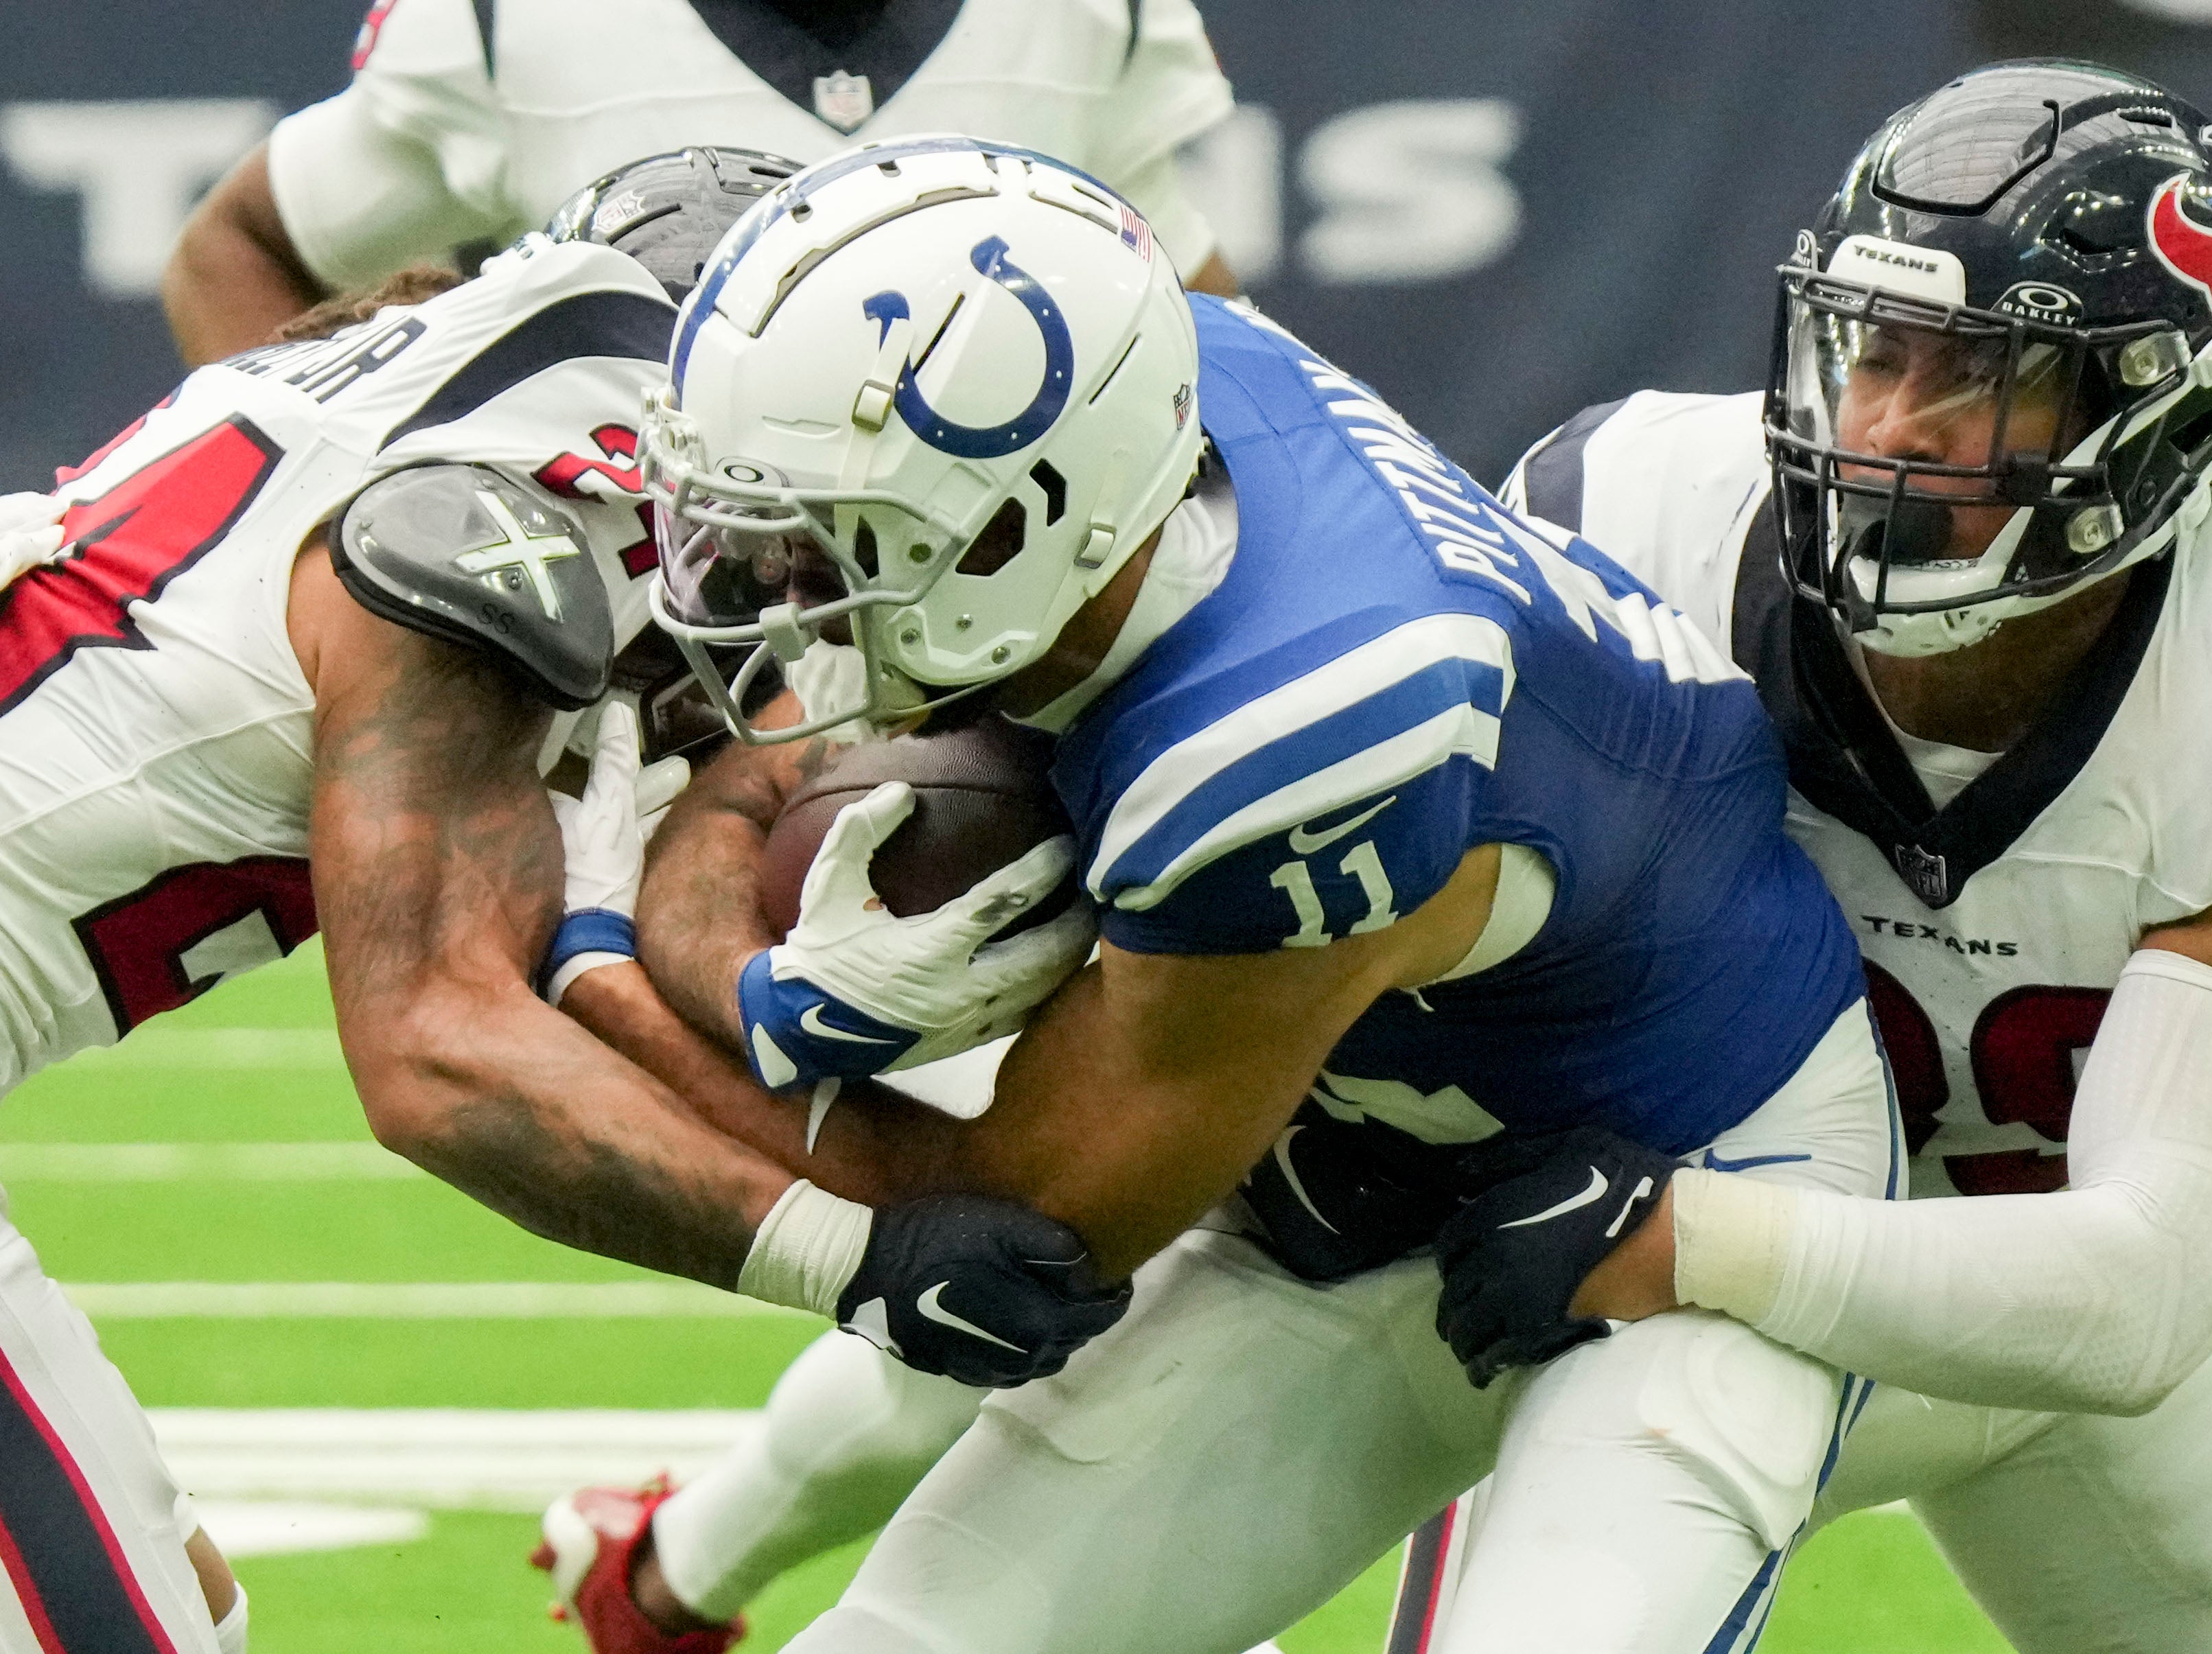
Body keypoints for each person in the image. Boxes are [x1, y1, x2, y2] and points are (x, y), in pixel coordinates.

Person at [541, 132, 1899, 1654]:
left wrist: (630, 963)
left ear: (1017, 526)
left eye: (825, 543)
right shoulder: (1150, 390)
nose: (772, 588)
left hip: (1687, 1166)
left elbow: (1021, 1220)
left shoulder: (1292, 729)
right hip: (1348, 1162)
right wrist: (742, 833)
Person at [1392, 59, 2212, 1652]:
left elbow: (2144, 1288)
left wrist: (1686, 1237)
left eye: (1977, 374)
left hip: (1969, 1289)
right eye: (1873, 351)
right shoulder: (1623, 518)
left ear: (2153, 409)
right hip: (1652, 1310)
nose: (1887, 424)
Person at [0, 152, 1104, 1654]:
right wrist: (852, 1258)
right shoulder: (480, 536)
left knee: (185, 1605)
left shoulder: (421, 391)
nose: (794, 559)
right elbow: (437, 1054)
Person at [162, 0, 1240, 364]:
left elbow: (1194, 316)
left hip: (991, 654)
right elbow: (238, 254)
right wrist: (328, 538)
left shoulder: (1091, 16)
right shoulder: (506, 24)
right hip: (648, 679)